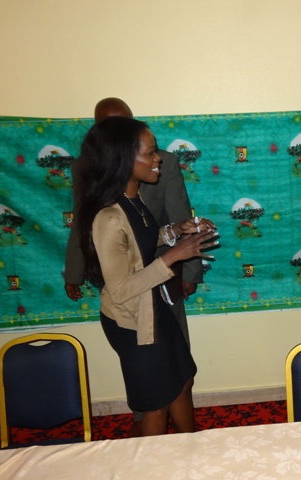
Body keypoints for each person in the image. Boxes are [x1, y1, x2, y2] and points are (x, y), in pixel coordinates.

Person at [77, 116, 218, 436]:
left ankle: (190, 450)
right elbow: (120, 290)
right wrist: (174, 255)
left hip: (153, 306)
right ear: (124, 160)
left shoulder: (133, 197)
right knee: (157, 403)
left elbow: (139, 244)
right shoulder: (108, 217)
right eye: (150, 153)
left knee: (183, 380)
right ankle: (148, 460)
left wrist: (176, 230)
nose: (159, 159)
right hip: (131, 321)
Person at [65, 97, 199, 348]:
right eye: (108, 126)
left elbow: (175, 218)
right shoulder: (87, 171)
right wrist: (74, 271)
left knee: (176, 349)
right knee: (144, 349)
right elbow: (82, 221)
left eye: (124, 124)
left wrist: (189, 268)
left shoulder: (163, 163)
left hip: (162, 277)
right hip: (122, 280)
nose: (155, 160)